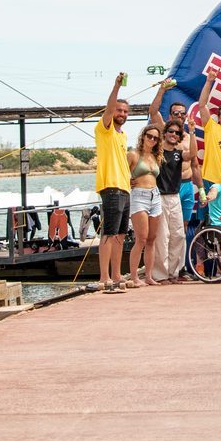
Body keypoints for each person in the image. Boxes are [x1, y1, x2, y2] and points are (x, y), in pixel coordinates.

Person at [150, 116, 202, 284]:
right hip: (160, 197)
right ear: (164, 134)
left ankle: (173, 272)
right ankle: (161, 274)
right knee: (162, 237)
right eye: (170, 131)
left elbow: (193, 154)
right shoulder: (156, 153)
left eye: (177, 133)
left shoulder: (179, 153)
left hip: (174, 196)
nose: (173, 134)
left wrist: (192, 131)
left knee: (178, 235)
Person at [95, 73, 132, 293]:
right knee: (108, 233)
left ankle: (117, 275)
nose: (122, 114)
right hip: (110, 186)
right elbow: (108, 110)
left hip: (124, 187)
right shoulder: (104, 129)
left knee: (120, 234)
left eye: (126, 112)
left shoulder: (123, 135)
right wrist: (116, 86)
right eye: (120, 110)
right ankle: (104, 277)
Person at [125, 124, 163, 287]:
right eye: (149, 136)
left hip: (155, 195)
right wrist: (128, 181)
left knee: (152, 239)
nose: (152, 140)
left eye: (155, 138)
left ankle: (148, 275)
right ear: (143, 136)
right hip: (139, 195)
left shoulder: (156, 156)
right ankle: (134, 276)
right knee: (141, 238)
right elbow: (121, 173)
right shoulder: (133, 154)